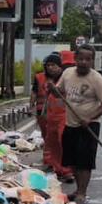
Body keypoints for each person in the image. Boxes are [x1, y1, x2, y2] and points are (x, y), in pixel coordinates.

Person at [52, 45, 102, 204]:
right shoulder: (67, 73)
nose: (84, 62)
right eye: (81, 59)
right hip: (70, 124)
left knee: (85, 162)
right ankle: (78, 189)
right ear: (75, 59)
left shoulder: (97, 79)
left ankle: (82, 193)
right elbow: (58, 92)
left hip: (89, 126)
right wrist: (52, 89)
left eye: (88, 59)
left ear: (92, 61)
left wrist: (90, 118)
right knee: (72, 160)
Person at [32, 53, 71, 181]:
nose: (50, 68)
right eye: (48, 65)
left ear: (60, 66)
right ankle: (57, 168)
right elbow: (46, 98)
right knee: (52, 143)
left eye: (53, 65)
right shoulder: (47, 79)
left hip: (64, 116)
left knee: (63, 142)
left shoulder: (65, 79)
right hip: (51, 117)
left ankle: (67, 170)